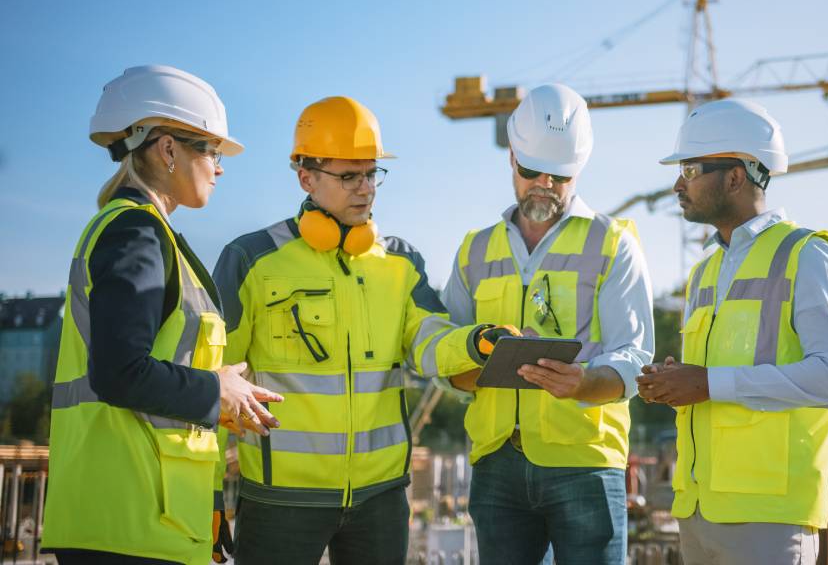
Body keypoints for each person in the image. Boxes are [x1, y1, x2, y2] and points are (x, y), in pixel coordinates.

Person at [211, 96, 504, 565]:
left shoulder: (401, 263)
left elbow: (429, 339)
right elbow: (215, 380)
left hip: (380, 500)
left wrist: (478, 341)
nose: (365, 189)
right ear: (305, 176)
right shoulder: (252, 260)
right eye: (348, 176)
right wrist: (208, 494)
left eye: (371, 174)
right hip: (280, 499)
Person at [41, 65, 283, 565]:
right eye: (211, 151)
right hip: (128, 523)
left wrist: (209, 512)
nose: (219, 167)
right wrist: (217, 389)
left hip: (146, 520)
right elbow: (118, 373)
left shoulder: (144, 233)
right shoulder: (136, 233)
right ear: (168, 149)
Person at [637, 98, 828, 565]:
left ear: (736, 177)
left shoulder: (808, 255)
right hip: (699, 509)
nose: (678, 184)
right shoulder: (704, 272)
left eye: (691, 169)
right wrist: (674, 380)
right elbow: (708, 377)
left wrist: (707, 383)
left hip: (769, 517)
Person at [443, 83, 655, 564]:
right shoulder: (475, 249)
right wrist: (472, 354)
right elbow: (443, 343)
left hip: (584, 463)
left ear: (578, 169)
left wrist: (585, 382)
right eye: (530, 171)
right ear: (511, 158)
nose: (543, 185)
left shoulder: (612, 243)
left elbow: (634, 355)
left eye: (558, 176)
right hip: (497, 462)